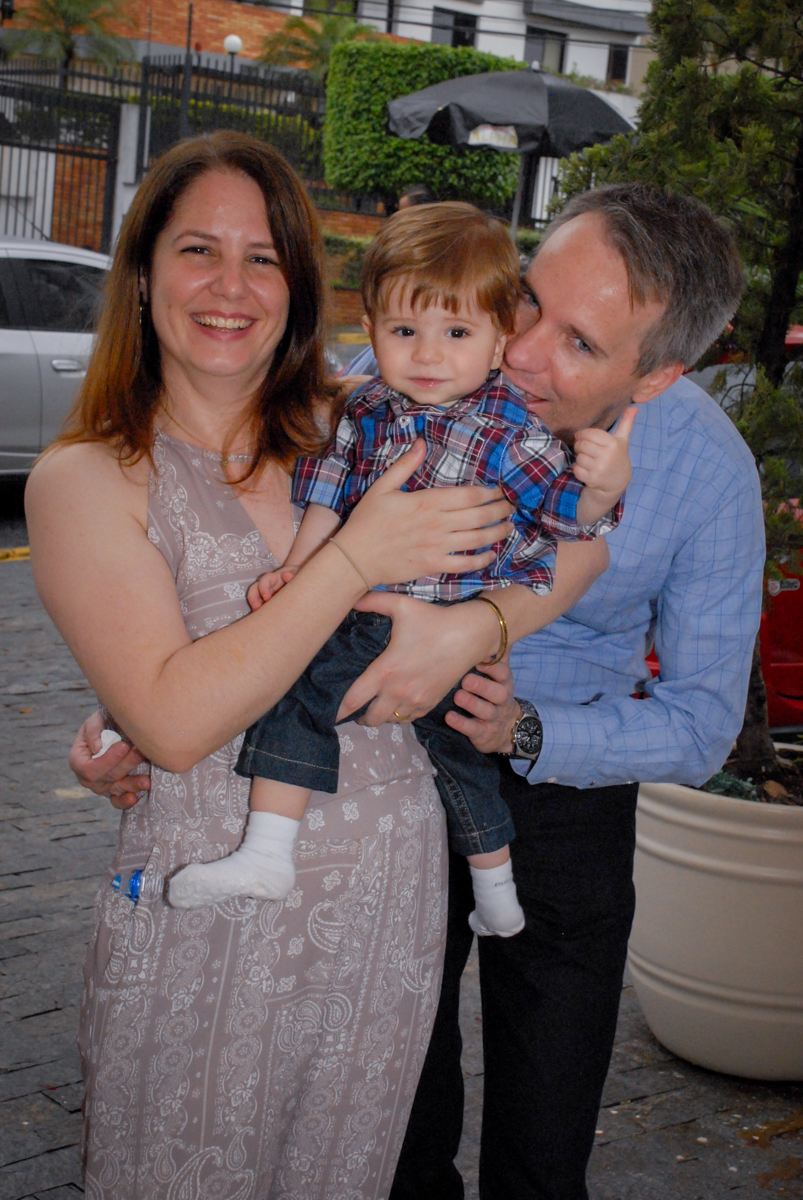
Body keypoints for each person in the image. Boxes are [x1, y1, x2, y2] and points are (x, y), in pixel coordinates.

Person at [32, 130, 605, 1200]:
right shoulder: (88, 477)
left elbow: (581, 551)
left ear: (299, 288)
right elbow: (169, 721)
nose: (230, 286)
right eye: (198, 249)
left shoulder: (366, 422)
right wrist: (352, 561)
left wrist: (470, 631)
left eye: (263, 258)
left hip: (387, 910)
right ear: (144, 271)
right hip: (210, 918)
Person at [387, 184, 764, 1199]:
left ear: (657, 373)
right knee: (388, 1124)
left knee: (544, 1146)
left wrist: (527, 731)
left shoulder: (706, 476)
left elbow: (700, 721)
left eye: (580, 345)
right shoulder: (424, 371)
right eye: (525, 301)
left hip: (562, 801)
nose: (516, 351)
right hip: (390, 777)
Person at [167, 202, 633, 937]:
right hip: (372, 608)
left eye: (455, 334)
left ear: (495, 342)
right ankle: (491, 890)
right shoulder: (367, 410)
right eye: (403, 332)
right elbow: (329, 489)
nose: (426, 354)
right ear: (371, 328)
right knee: (453, 759)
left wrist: (602, 489)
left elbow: (566, 519)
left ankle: (276, 850)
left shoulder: (510, 430)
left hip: (418, 619)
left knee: (302, 697)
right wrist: (297, 568)